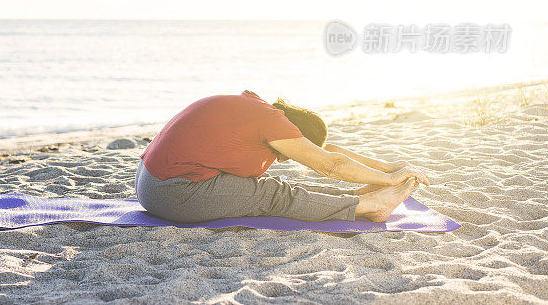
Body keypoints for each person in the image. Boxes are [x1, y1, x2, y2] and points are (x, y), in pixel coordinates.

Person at [135, 90, 430, 223]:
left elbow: (328, 152)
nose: (281, 160)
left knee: (268, 187)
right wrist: (391, 179)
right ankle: (366, 207)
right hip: (171, 193)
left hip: (151, 179)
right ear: (295, 131)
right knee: (271, 193)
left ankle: (356, 193)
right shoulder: (273, 124)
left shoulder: (260, 111)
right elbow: (329, 165)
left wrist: (385, 169)